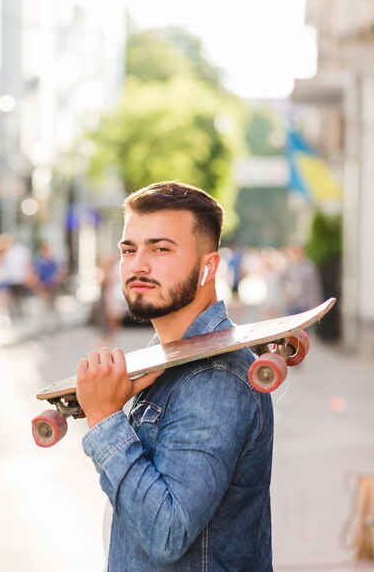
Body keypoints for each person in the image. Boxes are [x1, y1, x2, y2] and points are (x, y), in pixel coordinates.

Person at [76, 181, 274, 571]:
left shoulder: (214, 378)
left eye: (161, 248)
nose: (138, 264)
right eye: (128, 249)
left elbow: (167, 532)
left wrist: (104, 419)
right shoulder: (167, 363)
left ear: (209, 267)